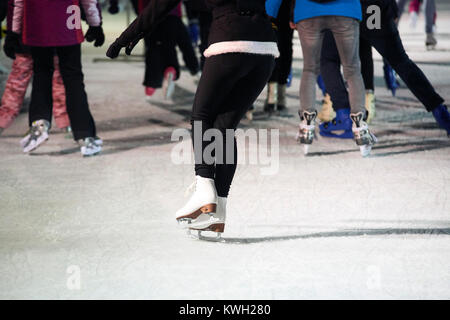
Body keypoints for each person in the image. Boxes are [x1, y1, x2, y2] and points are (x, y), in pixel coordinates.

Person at [107, 0, 278, 237]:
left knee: (202, 116)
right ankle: (218, 211)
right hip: (265, 48)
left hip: (229, 41)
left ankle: (204, 186)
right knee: (224, 127)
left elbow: (162, 4)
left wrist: (128, 36)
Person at [319, 0, 449, 138]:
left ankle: (344, 114)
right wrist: (391, 7)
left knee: (328, 60)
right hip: (375, 9)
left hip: (345, 10)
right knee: (401, 62)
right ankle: (440, 112)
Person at [266, 0, 377, 157]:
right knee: (352, 70)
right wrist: (376, 13)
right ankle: (360, 126)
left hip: (308, 10)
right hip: (345, 9)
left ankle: (307, 125)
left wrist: (270, 10)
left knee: (310, 69)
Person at [8, 0, 105, 156]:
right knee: (73, 77)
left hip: (37, 20)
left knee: (41, 72)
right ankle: (85, 134)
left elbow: (17, 2)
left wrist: (14, 32)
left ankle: (39, 124)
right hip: (68, 19)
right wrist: (95, 23)